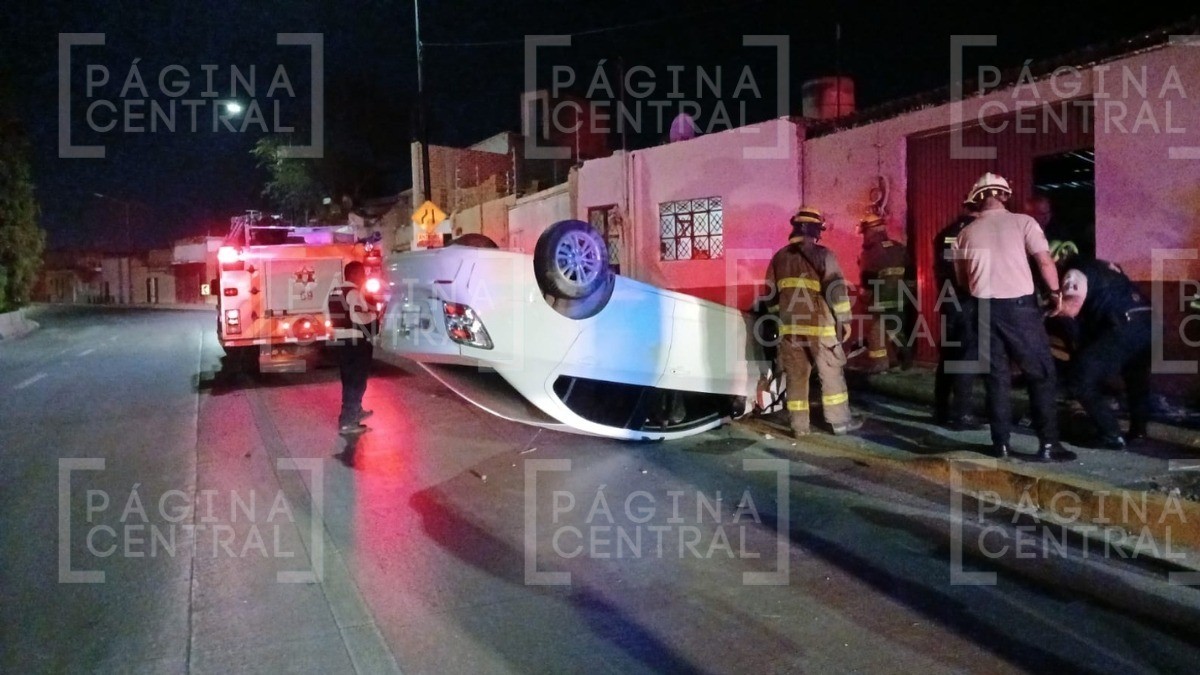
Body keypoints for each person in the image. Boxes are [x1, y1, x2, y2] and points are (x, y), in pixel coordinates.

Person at [953, 172, 1075, 462]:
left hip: (983, 308)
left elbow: (961, 279)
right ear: (1005, 195)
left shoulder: (964, 234)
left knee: (997, 378)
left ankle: (1001, 445)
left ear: (977, 199)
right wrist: (1056, 293)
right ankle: (1048, 445)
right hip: (1019, 309)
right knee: (1041, 374)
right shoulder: (1024, 222)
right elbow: (1044, 260)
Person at [762, 206, 862, 437]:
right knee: (830, 373)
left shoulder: (779, 258)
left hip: (790, 330)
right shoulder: (824, 255)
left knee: (796, 377)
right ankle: (839, 423)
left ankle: (799, 427)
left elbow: (769, 295)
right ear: (816, 230)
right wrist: (845, 320)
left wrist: (781, 316)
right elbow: (836, 289)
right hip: (820, 328)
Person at [1057, 254, 1151, 449]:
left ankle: (1111, 434)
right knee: (1136, 381)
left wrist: (1047, 309)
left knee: (1079, 379)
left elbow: (1071, 307)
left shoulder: (1073, 273)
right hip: (1147, 322)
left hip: (1122, 326)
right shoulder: (1106, 267)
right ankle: (1139, 431)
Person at [932, 197, 982, 430]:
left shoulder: (944, 234)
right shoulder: (976, 234)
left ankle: (940, 409)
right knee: (967, 357)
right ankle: (962, 415)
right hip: (969, 302)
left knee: (948, 357)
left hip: (948, 301)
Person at [857, 213, 913, 373]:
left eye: (865, 233)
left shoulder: (870, 253)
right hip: (900, 299)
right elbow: (910, 274)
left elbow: (867, 280)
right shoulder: (899, 248)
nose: (864, 237)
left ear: (871, 231)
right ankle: (905, 360)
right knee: (897, 331)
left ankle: (880, 365)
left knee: (876, 334)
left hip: (878, 301)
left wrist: (864, 301)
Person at [328, 261, 378, 434]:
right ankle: (348, 420)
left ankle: (355, 412)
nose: (364, 277)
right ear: (355, 274)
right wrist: (374, 315)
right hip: (355, 342)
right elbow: (358, 317)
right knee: (356, 381)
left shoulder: (334, 292)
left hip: (341, 340)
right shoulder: (353, 293)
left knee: (348, 379)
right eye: (362, 273)